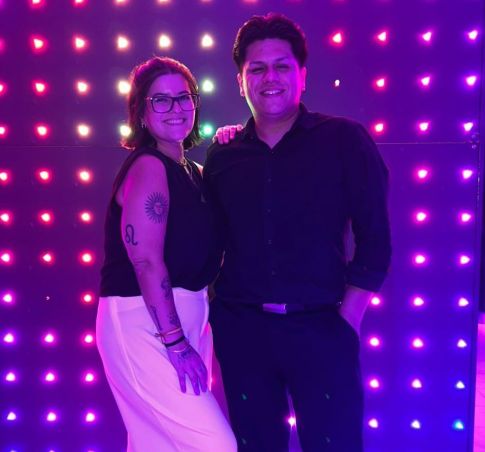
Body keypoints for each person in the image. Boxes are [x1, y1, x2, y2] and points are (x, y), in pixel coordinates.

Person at [204, 13, 392, 452]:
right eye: (257, 68)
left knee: (334, 444)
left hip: (323, 327)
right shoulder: (224, 156)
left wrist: (346, 321)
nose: (270, 78)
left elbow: (376, 239)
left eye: (282, 66)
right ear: (240, 82)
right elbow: (209, 242)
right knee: (256, 445)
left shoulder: (344, 140)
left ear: (302, 75)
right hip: (243, 332)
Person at [96, 56, 236, 452]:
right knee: (215, 445)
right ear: (141, 112)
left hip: (188, 317)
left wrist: (233, 139)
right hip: (143, 320)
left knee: (158, 445)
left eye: (183, 97)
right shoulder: (148, 166)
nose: (175, 108)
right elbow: (145, 261)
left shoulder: (193, 171)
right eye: (161, 100)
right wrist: (175, 342)